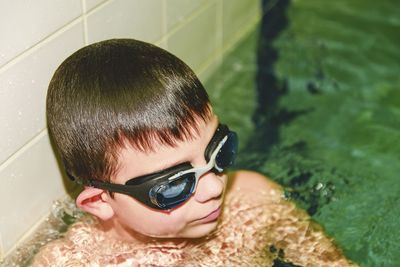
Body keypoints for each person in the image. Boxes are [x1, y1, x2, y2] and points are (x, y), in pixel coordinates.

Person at [32, 39, 356, 266]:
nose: (215, 187)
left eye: (219, 152)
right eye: (174, 184)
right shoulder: (69, 262)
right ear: (100, 201)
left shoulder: (254, 200)